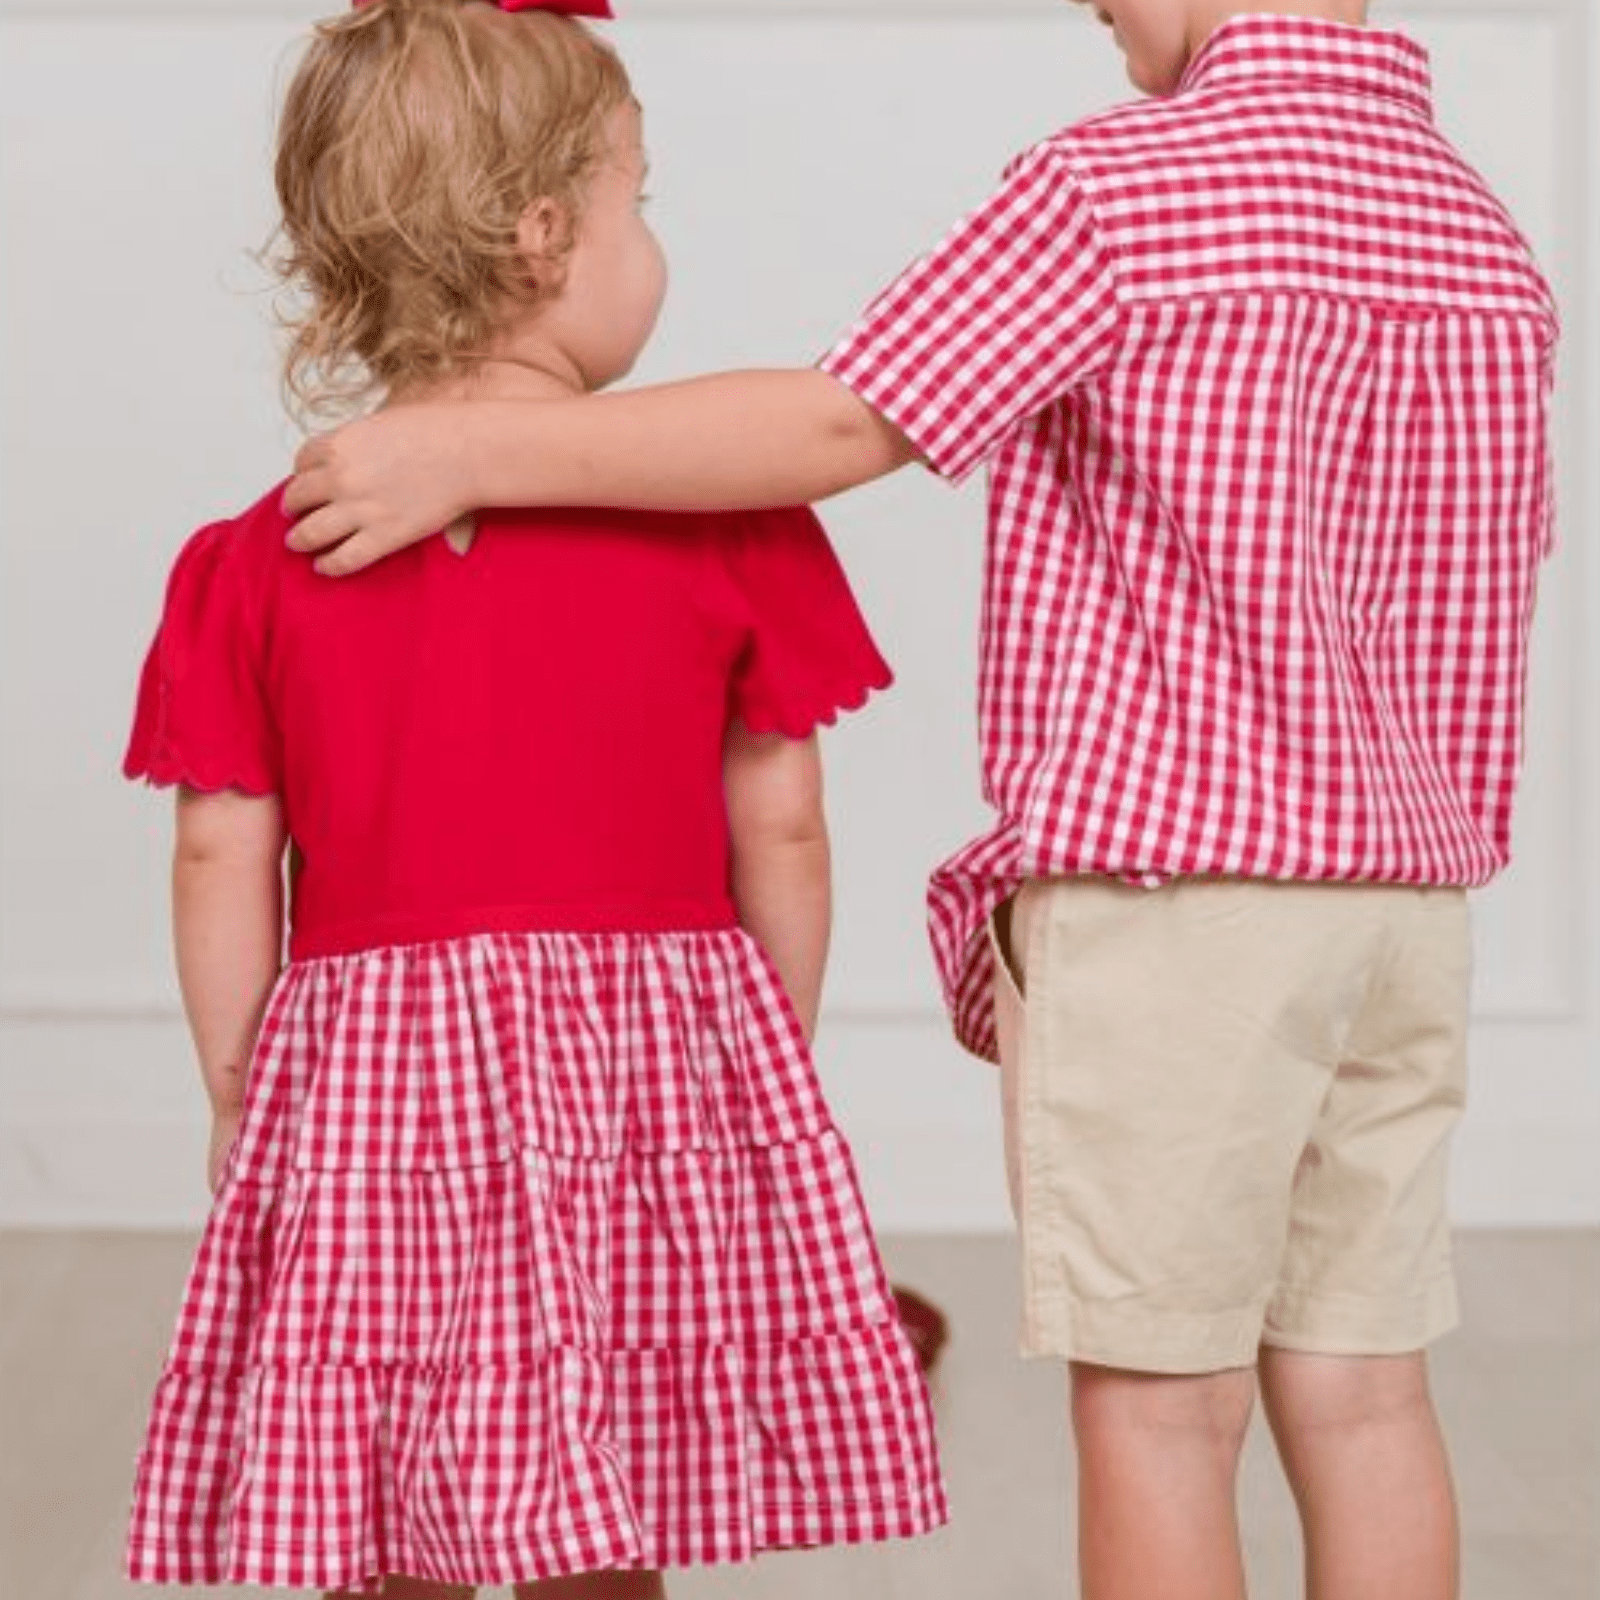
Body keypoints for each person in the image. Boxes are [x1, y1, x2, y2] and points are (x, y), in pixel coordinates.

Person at [280, 2, 1561, 1597]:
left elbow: (842, 422)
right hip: (1401, 910)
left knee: (1163, 1410)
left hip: (1180, 907)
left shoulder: (1122, 189)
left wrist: (470, 453)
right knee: (1368, 1389)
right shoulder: (1477, 228)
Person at [120, 2, 948, 1595]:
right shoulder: (729, 518)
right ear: (546, 232)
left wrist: (242, 1087)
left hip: (376, 1076)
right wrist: (758, 1045)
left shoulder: (252, 561)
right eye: (645, 199)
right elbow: (782, 820)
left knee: (396, 1455)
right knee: (605, 1454)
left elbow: (219, 849)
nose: (655, 242)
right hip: (642, 1065)